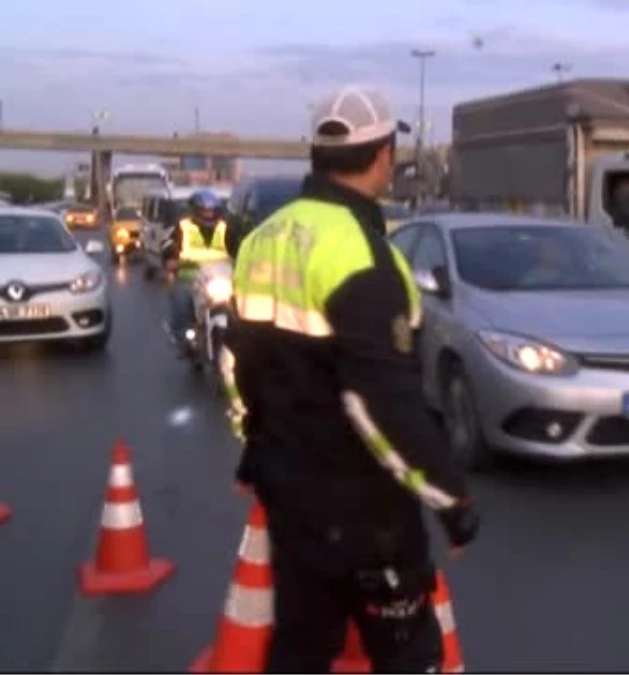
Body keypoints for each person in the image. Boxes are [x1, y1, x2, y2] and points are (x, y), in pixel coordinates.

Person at [220, 85, 479, 672]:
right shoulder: (362, 256)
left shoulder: (263, 238)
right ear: (384, 154)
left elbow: (238, 364)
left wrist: (251, 454)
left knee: (301, 647)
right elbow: (381, 405)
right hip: (367, 513)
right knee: (409, 655)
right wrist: (450, 498)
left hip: (286, 492)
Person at [166, 189, 229, 354]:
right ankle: (182, 338)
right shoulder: (182, 227)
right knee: (181, 301)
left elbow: (240, 248)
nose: (209, 215)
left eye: (212, 211)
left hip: (221, 278)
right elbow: (168, 248)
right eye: (205, 211)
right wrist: (172, 261)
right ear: (195, 211)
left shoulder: (226, 228)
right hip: (190, 278)